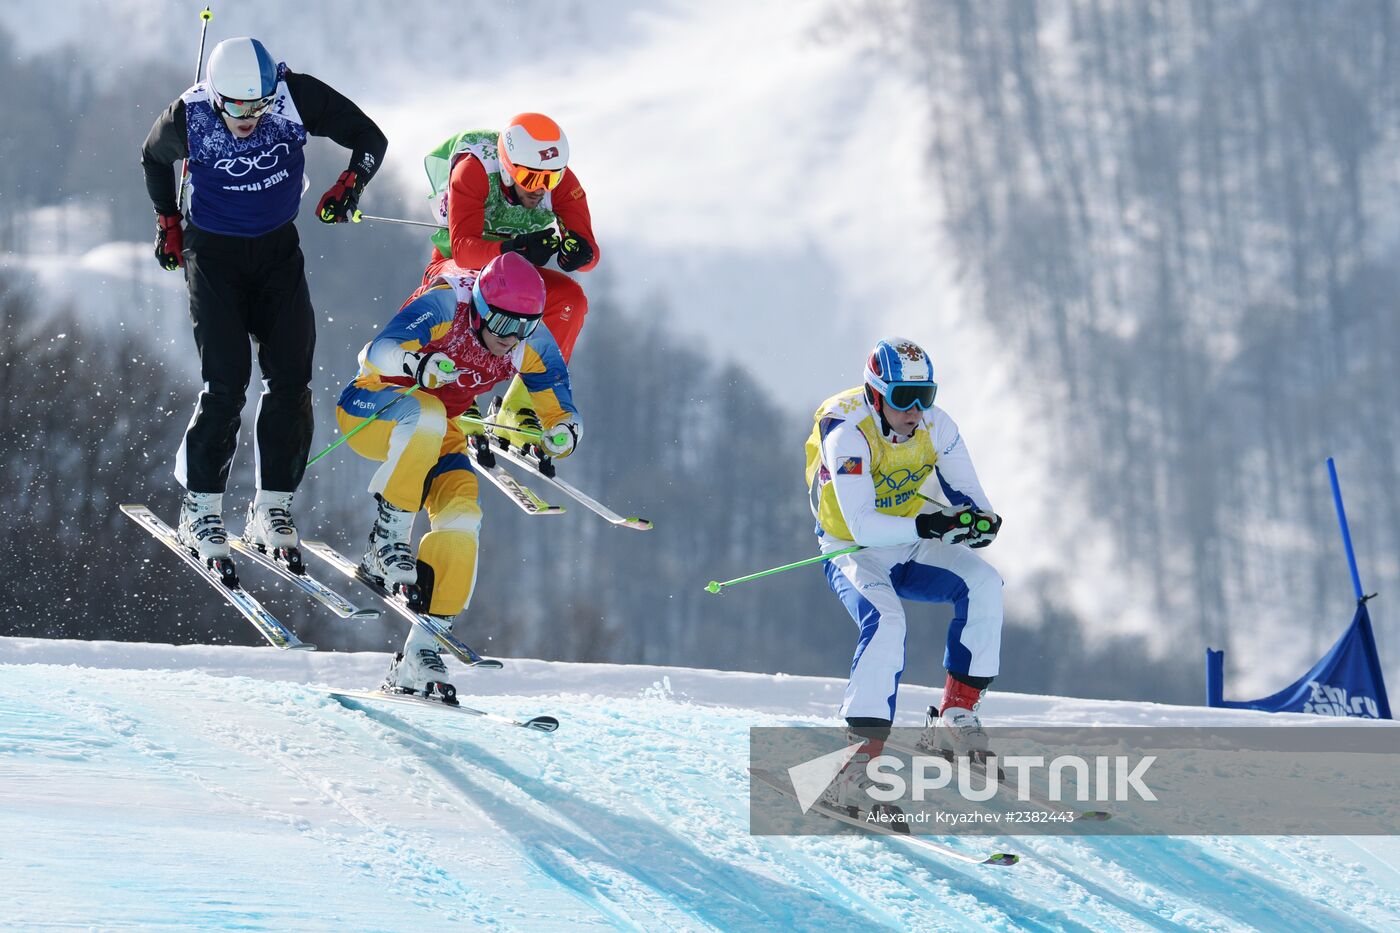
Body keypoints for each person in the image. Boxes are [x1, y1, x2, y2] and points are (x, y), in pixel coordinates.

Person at [140, 36, 387, 572]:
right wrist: (168, 221)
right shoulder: (191, 115)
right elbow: (152, 157)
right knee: (227, 384)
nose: (249, 117)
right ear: (215, 95)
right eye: (236, 106)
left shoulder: (293, 96)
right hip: (214, 258)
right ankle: (200, 508)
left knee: (292, 381)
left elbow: (370, 137)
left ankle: (270, 508)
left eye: (259, 104)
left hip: (278, 253)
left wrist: (351, 183)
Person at [336, 252, 582, 702]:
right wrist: (418, 366)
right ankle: (383, 542)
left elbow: (558, 399)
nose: (513, 340)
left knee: (463, 515)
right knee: (428, 413)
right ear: (483, 309)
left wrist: (564, 429)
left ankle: (422, 651)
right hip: (373, 407)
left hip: (438, 431)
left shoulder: (527, 337)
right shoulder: (447, 304)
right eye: (505, 326)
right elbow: (378, 351)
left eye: (524, 328)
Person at [803, 337, 1004, 806]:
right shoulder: (846, 432)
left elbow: (971, 496)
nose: (915, 411)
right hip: (852, 550)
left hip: (909, 542)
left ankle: (955, 717)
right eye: (902, 399)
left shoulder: (937, 425)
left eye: (925, 396)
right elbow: (862, 524)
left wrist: (981, 524)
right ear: (875, 396)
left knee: (985, 583)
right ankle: (855, 766)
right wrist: (929, 523)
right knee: (888, 624)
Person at [420, 113, 599, 451]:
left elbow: (590, 251)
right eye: (530, 178)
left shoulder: (559, 182)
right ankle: (456, 389)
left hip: (513, 277)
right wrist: (515, 248)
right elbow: (462, 250)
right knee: (466, 293)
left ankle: (519, 407)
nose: (541, 189)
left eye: (552, 178)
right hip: (455, 268)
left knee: (571, 299)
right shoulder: (473, 170)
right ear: (506, 166)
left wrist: (580, 255)